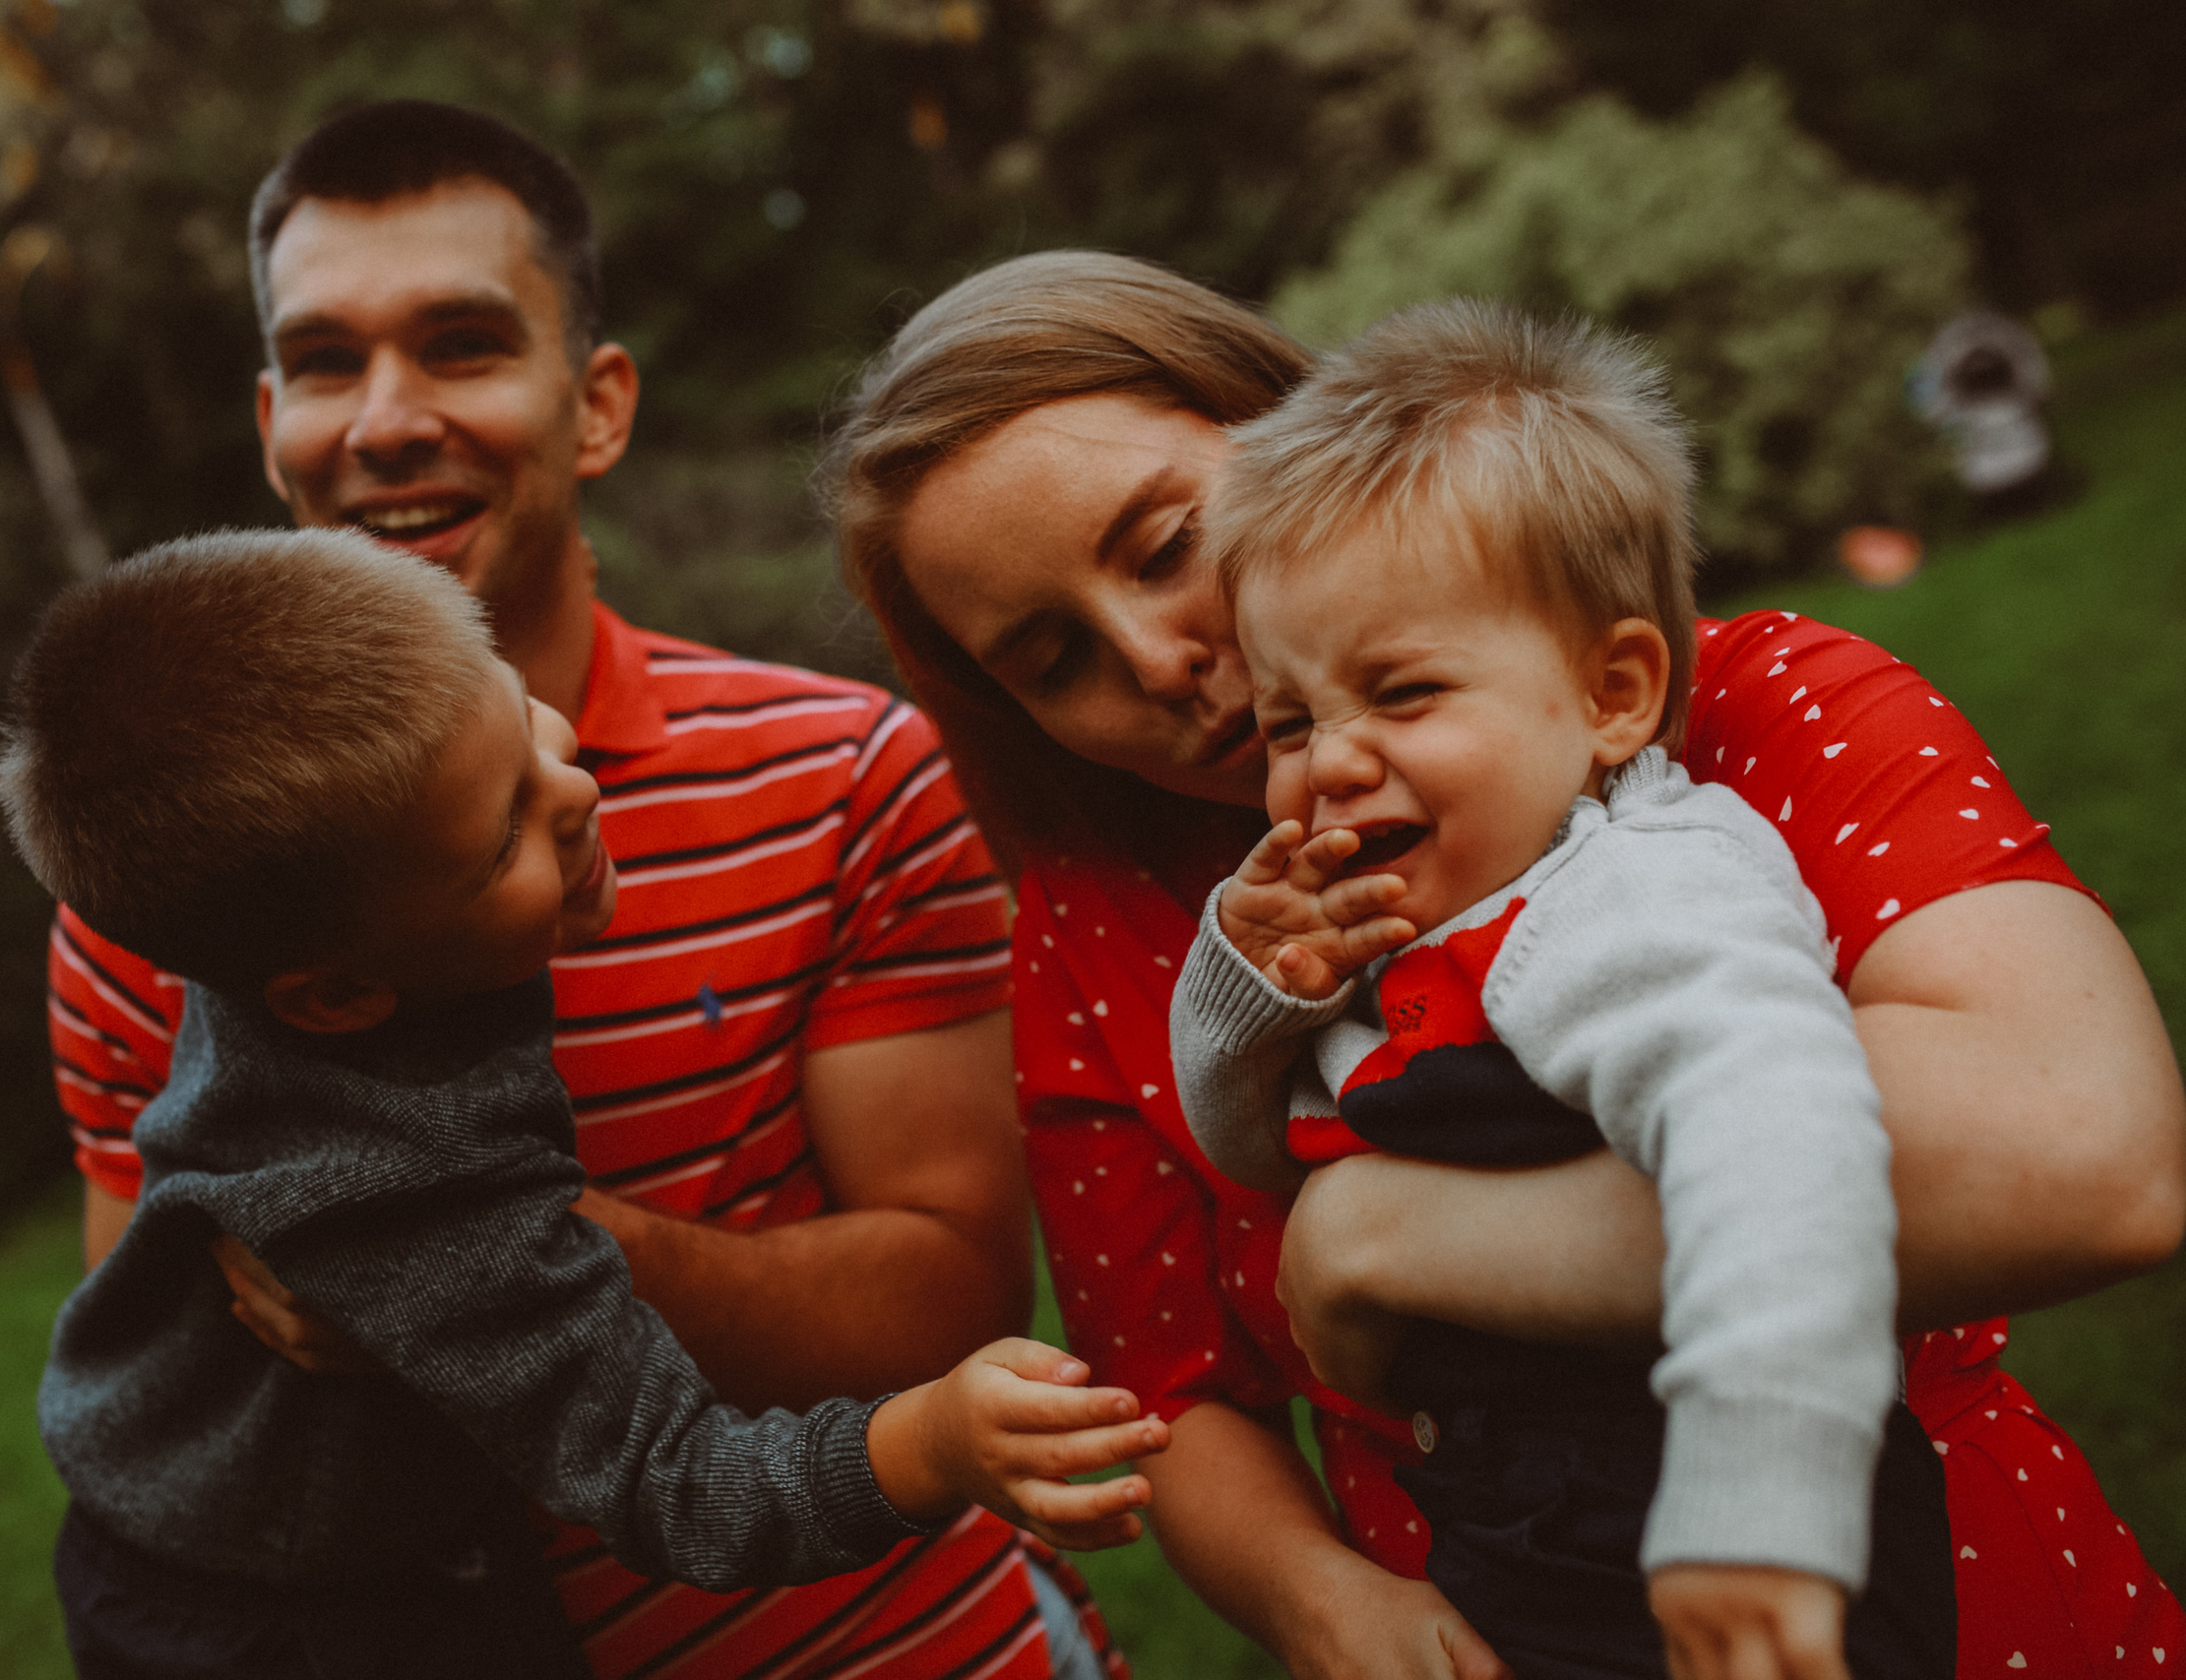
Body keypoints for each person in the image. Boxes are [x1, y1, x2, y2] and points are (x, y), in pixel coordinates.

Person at [821, 250, 2186, 1679]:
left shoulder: (1723, 734)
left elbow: (2086, 1154)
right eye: (1051, 659)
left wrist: (1384, 1241)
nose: (1154, 657)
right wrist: (1316, 1599)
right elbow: (1175, 1393)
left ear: (1288, 425)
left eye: (1165, 546)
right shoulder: (1102, 923)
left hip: (1865, 1573)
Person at [46, 103, 1127, 1679]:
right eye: (329, 362)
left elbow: (959, 1297)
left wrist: (503, 1255)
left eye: (464, 343)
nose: (387, 419)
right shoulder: (178, 908)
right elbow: (170, 1385)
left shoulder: (844, 776)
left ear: (597, 402)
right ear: (273, 419)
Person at [0, 528, 1162, 1679]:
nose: (572, 791)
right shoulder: (410, 1193)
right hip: (286, 1616)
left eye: (520, 718)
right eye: (505, 831)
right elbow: (681, 1486)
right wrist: (931, 1440)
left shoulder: (316, 903)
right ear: (342, 994)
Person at [1167, 301, 1952, 1679]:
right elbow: (1249, 1145)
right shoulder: (1436, 913)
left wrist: (1759, 1495)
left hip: (1707, 1525)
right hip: (1541, 1539)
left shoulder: (1629, 895)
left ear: (1613, 692)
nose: (1330, 762)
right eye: (1291, 722)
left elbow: (1778, 1138)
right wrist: (1255, 982)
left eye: (1401, 690)